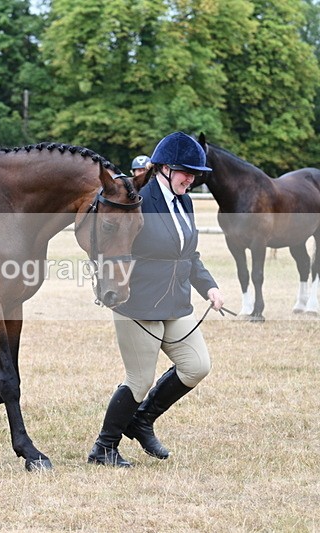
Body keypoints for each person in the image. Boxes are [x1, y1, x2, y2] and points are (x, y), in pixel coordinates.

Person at [87, 131, 225, 467]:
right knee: (140, 379)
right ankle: (104, 448)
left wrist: (208, 286)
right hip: (138, 301)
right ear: (162, 168)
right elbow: (108, 244)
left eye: (195, 174)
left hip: (176, 301)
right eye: (184, 171)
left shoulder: (185, 201)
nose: (189, 179)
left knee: (196, 366)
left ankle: (142, 420)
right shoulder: (138, 199)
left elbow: (189, 254)